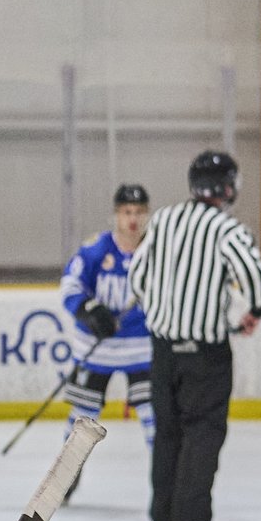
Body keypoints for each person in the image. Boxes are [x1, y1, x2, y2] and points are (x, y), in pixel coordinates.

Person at [129, 148, 261, 521]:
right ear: (228, 188)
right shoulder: (227, 229)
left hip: (163, 351)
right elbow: (253, 275)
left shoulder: (164, 220)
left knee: (168, 433)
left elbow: (137, 275)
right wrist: (254, 311)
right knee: (202, 433)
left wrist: (161, 313)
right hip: (205, 353)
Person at [58, 184, 155, 449]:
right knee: (82, 420)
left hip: (142, 349)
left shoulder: (157, 253)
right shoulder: (96, 250)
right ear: (116, 214)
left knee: (155, 418)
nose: (133, 219)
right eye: (127, 212)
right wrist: (88, 310)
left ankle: (164, 478)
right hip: (97, 349)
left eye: (139, 212)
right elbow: (70, 286)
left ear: (147, 214)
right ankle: (67, 476)